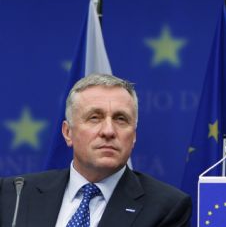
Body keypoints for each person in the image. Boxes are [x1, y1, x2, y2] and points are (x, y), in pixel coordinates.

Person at [0, 74, 192, 227]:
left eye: (120, 119)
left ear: (133, 136)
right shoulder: (15, 194)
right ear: (68, 133)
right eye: (94, 118)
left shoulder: (166, 208)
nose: (108, 131)